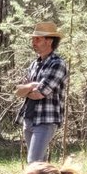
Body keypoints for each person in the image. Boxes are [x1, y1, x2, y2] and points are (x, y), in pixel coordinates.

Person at [14, 22, 68, 164]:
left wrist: (28, 90)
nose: (33, 42)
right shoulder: (34, 64)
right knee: (40, 163)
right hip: (29, 117)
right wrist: (32, 85)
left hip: (46, 120)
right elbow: (18, 91)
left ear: (49, 40)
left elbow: (40, 93)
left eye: (37, 39)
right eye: (33, 39)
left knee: (34, 161)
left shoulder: (58, 64)